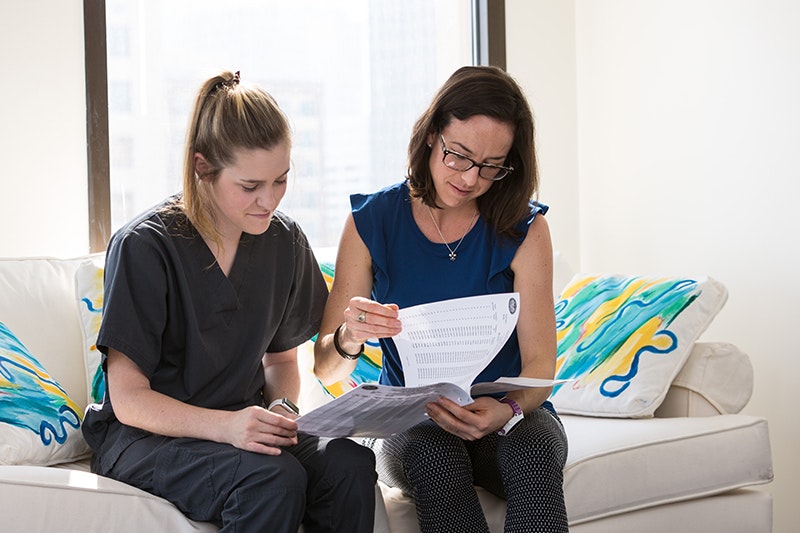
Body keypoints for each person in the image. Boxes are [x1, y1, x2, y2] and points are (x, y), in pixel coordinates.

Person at [82, 70, 377, 533]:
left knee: (348, 464)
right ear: (203, 167)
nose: (269, 200)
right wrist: (226, 427)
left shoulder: (284, 242)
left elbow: (282, 362)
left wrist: (281, 411)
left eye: (280, 180)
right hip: (145, 437)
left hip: (239, 428)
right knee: (272, 481)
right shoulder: (146, 246)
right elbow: (130, 400)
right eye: (250, 186)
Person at [313, 65, 568, 533]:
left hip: (508, 416)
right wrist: (350, 337)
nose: (471, 179)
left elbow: (539, 362)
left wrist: (507, 409)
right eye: (460, 156)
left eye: (492, 166)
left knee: (533, 451)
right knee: (435, 455)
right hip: (414, 425)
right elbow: (326, 368)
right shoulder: (373, 222)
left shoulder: (526, 228)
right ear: (432, 135)